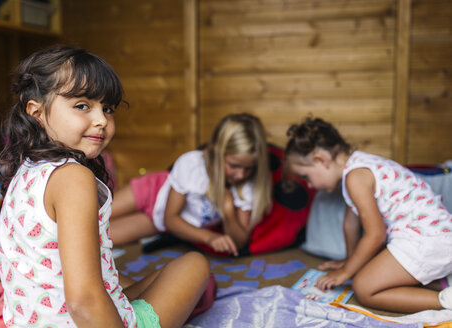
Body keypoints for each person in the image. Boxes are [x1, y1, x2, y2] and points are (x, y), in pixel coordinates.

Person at [0, 45, 210, 328]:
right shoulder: (73, 178)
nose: (101, 120)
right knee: (194, 265)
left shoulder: (28, 169)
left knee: (160, 274)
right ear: (36, 112)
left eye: (107, 108)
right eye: (82, 105)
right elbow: (83, 301)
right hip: (79, 320)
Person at [284, 117, 452, 313]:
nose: (310, 185)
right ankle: (443, 281)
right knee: (370, 269)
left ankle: (445, 300)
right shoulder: (360, 166)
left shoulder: (356, 177)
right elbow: (350, 225)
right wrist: (349, 261)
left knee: (364, 287)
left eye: (306, 177)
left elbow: (376, 235)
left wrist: (345, 272)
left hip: (427, 240)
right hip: (435, 236)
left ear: (320, 160)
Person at [110, 113, 272, 256]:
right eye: (234, 165)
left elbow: (240, 242)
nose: (241, 175)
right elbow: (171, 217)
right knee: (94, 215)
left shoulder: (247, 186)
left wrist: (229, 210)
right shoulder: (192, 163)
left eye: (249, 168)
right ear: (216, 152)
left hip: (156, 220)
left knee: (98, 238)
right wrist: (209, 237)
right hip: (151, 190)